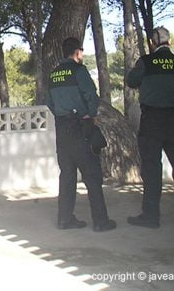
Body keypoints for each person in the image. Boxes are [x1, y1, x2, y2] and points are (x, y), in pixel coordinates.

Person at [126, 26, 174, 228]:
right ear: (170, 42)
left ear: (152, 43)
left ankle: (151, 216)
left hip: (153, 120)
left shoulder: (146, 62)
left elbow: (131, 81)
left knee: (151, 168)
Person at [46, 38, 116, 233]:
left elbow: (49, 102)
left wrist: (63, 114)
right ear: (77, 52)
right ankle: (101, 221)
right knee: (92, 175)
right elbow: (91, 96)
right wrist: (89, 114)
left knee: (67, 175)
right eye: (82, 52)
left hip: (62, 129)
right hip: (80, 127)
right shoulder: (79, 71)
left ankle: (64, 219)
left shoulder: (53, 74)